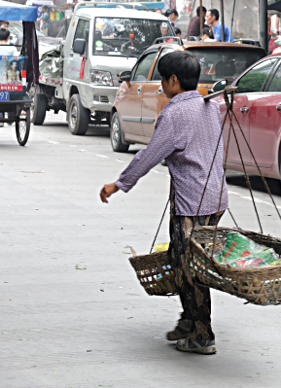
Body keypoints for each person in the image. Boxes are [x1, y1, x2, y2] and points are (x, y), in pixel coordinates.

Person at [100, 51, 228, 355]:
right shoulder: (209, 105)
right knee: (182, 260)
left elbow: (148, 155)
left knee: (191, 267)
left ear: (173, 80)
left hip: (190, 204)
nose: (160, 85)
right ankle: (189, 318)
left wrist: (118, 184)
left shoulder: (175, 113)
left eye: (161, 79)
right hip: (215, 197)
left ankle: (201, 334)